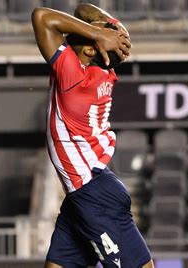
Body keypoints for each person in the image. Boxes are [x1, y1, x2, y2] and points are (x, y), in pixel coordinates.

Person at [31, 3, 154, 268]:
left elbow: (41, 16)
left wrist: (99, 33)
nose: (65, 38)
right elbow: (83, 9)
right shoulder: (104, 69)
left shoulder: (72, 75)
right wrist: (105, 28)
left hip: (93, 194)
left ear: (89, 49)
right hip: (84, 193)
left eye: (72, 38)